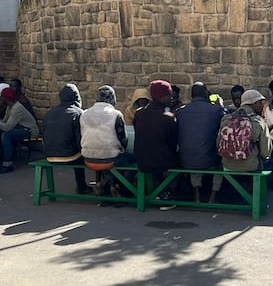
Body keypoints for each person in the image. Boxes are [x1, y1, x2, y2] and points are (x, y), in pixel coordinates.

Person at [175, 82, 225, 203]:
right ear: (206, 93)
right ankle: (213, 195)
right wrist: (221, 105)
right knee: (220, 160)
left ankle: (197, 194)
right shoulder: (216, 110)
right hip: (209, 160)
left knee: (193, 148)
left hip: (186, 160)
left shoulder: (180, 111)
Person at [133, 80, 179, 210]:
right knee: (179, 160)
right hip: (161, 162)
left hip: (141, 160)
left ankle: (155, 192)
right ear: (162, 97)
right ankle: (166, 195)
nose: (171, 98)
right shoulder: (168, 117)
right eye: (169, 95)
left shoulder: (139, 114)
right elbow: (173, 143)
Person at [80, 85, 130, 196]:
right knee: (130, 159)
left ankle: (105, 183)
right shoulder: (116, 114)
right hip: (110, 159)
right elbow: (123, 140)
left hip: (88, 158)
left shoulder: (84, 114)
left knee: (106, 155)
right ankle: (118, 186)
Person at [42, 83, 92, 195]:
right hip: (69, 156)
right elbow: (80, 140)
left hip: (49, 155)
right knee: (93, 155)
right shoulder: (78, 113)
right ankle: (83, 187)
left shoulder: (50, 113)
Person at [0, 87, 39, 174]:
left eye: (1, 97)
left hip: (29, 130)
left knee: (7, 134)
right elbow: (3, 122)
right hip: (18, 128)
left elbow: (6, 127)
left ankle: (7, 163)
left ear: (5, 98)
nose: (0, 99)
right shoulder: (10, 107)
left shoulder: (17, 109)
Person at [218, 89, 272, 173]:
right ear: (253, 104)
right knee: (271, 162)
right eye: (260, 102)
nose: (263, 105)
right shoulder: (258, 121)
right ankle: (269, 185)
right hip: (251, 167)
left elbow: (218, 143)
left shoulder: (226, 119)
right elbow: (265, 153)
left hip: (227, 166)